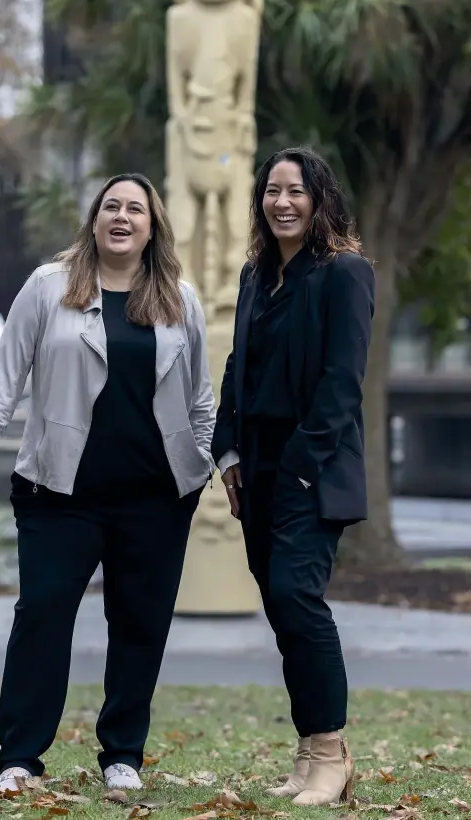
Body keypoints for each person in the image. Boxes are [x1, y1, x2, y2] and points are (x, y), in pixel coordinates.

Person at [0, 173, 215, 793]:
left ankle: (122, 754)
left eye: (136, 208)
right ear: (94, 219)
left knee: (140, 623)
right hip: (58, 493)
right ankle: (20, 755)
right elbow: (5, 374)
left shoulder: (180, 299)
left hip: (155, 497)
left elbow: (201, 397)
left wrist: (203, 461)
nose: (122, 216)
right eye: (111, 206)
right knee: (42, 616)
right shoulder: (49, 287)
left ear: (153, 225)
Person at [212, 146, 375, 807]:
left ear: (319, 200)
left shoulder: (345, 274)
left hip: (312, 471)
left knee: (298, 601)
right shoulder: (257, 277)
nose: (282, 202)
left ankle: (332, 753)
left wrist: (301, 471)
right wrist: (227, 454)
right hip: (256, 470)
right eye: (272, 191)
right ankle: (310, 755)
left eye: (296, 191)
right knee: (283, 611)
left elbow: (343, 382)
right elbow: (235, 370)